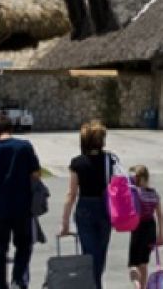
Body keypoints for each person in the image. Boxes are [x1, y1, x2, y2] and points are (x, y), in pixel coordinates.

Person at [0, 113, 42, 289]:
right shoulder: (24, 147)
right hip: (22, 205)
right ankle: (18, 280)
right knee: (23, 246)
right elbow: (36, 173)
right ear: (11, 128)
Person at [59, 120, 115, 288]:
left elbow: (71, 193)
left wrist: (65, 221)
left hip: (85, 208)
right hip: (106, 208)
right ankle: (96, 284)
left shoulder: (78, 162)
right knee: (100, 255)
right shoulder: (109, 160)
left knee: (89, 254)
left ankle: (93, 285)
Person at [125, 166, 163, 289]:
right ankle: (143, 286)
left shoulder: (135, 193)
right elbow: (160, 215)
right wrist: (161, 235)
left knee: (133, 264)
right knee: (144, 263)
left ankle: (137, 286)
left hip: (138, 228)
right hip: (150, 228)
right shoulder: (154, 193)